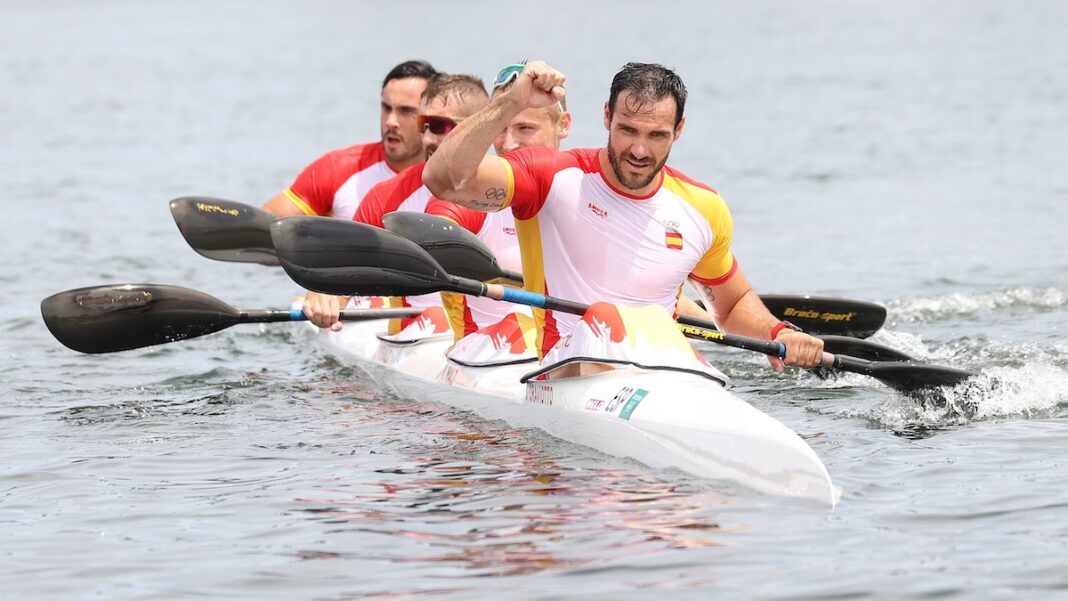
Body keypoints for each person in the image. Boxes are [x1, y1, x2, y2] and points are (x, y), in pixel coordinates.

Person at [422, 61, 825, 372]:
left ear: (679, 130)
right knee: (604, 317)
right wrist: (510, 101)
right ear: (605, 118)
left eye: (656, 135)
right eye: (628, 130)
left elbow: (731, 303)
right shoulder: (550, 177)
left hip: (664, 367)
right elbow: (444, 180)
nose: (639, 150)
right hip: (566, 373)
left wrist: (779, 331)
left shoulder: (703, 207)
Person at [302, 74, 490, 332]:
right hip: (417, 333)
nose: (428, 139)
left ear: (478, 129)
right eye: (423, 126)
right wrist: (322, 294)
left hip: (508, 337)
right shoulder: (387, 196)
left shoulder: (516, 189)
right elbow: (341, 271)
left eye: (439, 127)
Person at [261, 60, 438, 219]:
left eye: (406, 111)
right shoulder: (336, 169)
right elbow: (265, 228)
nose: (391, 122)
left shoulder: (455, 181)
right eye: (386, 108)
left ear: (430, 118)